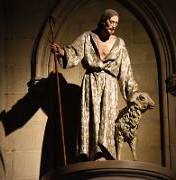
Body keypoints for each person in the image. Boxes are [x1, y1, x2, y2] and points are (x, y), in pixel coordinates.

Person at [50, 9, 154, 161]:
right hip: (91, 82)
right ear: (103, 21)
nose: (114, 26)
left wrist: (134, 94)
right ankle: (88, 152)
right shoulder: (87, 37)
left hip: (109, 86)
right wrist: (61, 52)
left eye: (116, 23)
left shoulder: (119, 45)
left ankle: (103, 152)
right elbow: (73, 52)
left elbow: (126, 73)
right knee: (90, 116)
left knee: (107, 118)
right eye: (111, 22)